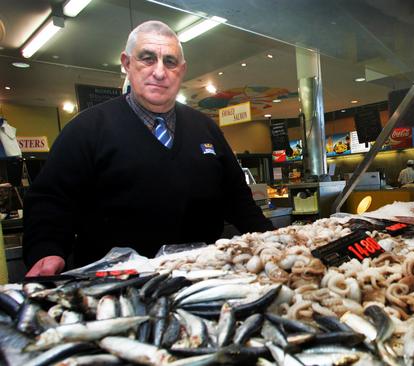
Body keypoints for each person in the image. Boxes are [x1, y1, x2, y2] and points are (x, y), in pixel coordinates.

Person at [23, 21, 274, 276]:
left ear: (182, 70)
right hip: (114, 286)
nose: (159, 72)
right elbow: (50, 201)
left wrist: (273, 241)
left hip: (201, 279)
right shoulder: (87, 129)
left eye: (170, 62)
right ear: (127, 63)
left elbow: (239, 200)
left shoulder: (205, 128)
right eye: (147, 58)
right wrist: (46, 249)